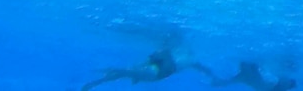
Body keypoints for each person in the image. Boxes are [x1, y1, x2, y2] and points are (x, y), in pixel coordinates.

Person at [80, 48, 215, 90]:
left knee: (125, 72)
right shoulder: (188, 59)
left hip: (156, 72)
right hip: (157, 74)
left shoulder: (186, 58)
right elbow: (204, 69)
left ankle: (95, 81)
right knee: (125, 72)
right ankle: (94, 82)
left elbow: (204, 69)